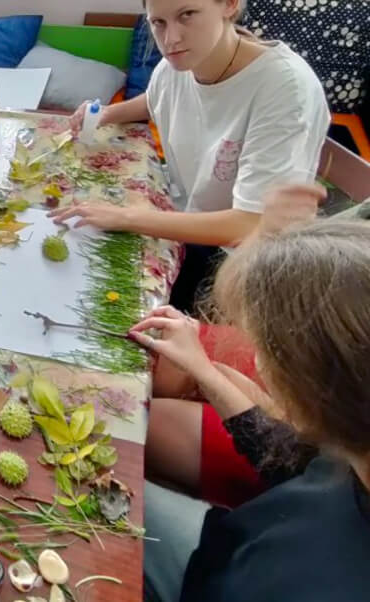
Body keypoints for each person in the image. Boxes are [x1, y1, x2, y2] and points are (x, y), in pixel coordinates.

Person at [52, 0, 330, 312]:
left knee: (112, 307)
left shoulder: (284, 88)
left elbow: (250, 223)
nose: (171, 39)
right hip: (186, 220)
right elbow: (155, 101)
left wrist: (130, 218)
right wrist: (105, 114)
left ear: (229, 3)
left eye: (187, 15)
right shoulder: (176, 65)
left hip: (246, 262)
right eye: (158, 23)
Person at [138, 218, 370, 602]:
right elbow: (296, 462)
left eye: (262, 350)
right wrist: (204, 372)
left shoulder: (299, 581)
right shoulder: (354, 454)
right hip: (225, 548)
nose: (256, 363)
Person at [146, 183, 327, 508]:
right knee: (157, 357)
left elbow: (292, 454)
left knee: (140, 420)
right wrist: (207, 371)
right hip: (306, 404)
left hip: (295, 457)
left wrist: (209, 375)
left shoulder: (331, 473)